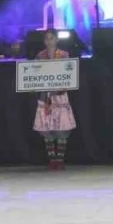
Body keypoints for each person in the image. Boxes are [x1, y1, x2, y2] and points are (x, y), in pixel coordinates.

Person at [33, 30, 76, 170]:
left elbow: (68, 74)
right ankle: (52, 160)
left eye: (51, 38)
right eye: (47, 38)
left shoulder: (64, 55)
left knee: (62, 125)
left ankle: (60, 159)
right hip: (45, 95)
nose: (49, 41)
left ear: (57, 39)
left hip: (60, 94)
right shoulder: (40, 56)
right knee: (47, 126)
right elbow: (35, 74)